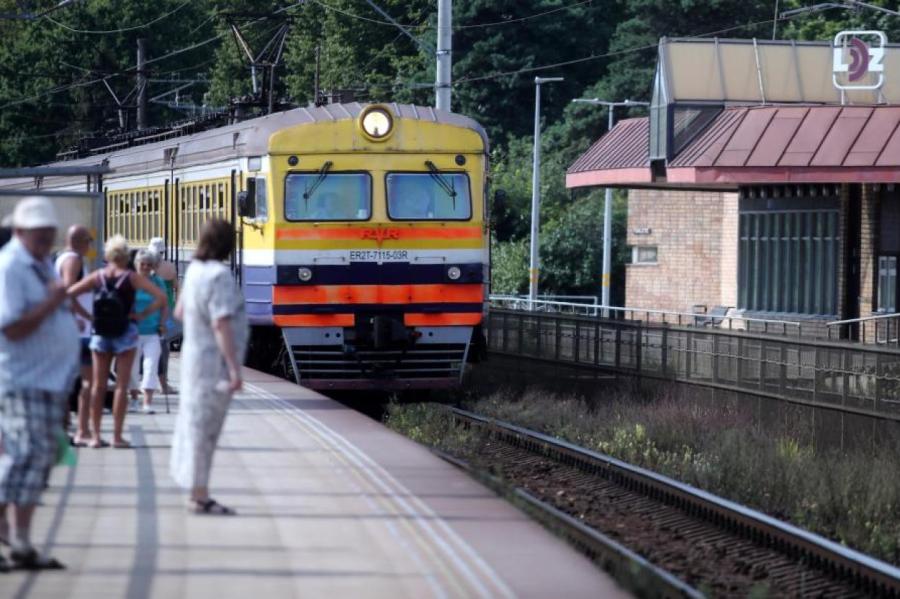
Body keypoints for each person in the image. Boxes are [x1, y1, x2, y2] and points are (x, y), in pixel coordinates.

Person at [0, 197, 79, 571]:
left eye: (50, 237)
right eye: (40, 237)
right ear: (19, 232)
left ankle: (21, 542)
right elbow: (11, 327)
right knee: (21, 458)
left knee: (39, 461)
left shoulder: (38, 261)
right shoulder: (11, 266)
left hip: (48, 380)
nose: (47, 243)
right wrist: (51, 305)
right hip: (21, 379)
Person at [170, 219, 248, 515]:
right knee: (205, 431)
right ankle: (199, 495)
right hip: (212, 364)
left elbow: (179, 312)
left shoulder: (194, 271)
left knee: (193, 425)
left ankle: (196, 490)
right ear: (228, 244)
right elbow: (221, 322)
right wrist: (234, 370)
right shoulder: (218, 275)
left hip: (193, 360)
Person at [66, 235, 166, 449]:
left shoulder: (98, 276)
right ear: (125, 256)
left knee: (98, 386)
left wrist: (88, 316)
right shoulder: (131, 277)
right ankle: (117, 437)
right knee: (121, 386)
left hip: (100, 332)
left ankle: (94, 437)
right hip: (126, 331)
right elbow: (161, 297)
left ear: (108, 255)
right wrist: (142, 314)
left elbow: (70, 293)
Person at [54, 225, 94, 445]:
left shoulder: (61, 258)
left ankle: (65, 428)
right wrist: (84, 316)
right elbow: (68, 291)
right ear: (79, 240)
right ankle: (82, 430)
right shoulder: (73, 260)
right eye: (89, 240)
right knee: (89, 382)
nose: (90, 245)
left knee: (65, 382)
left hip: (69, 330)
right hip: (78, 332)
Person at [128, 250, 168, 414]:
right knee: (132, 368)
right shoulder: (130, 281)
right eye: (142, 264)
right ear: (136, 264)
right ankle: (134, 400)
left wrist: (162, 323)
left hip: (152, 331)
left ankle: (147, 403)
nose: (145, 267)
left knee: (151, 366)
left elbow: (165, 305)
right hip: (132, 331)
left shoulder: (157, 282)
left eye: (148, 265)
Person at [148, 237, 178, 395]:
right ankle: (163, 383)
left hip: (150, 311)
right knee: (164, 347)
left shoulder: (147, 268)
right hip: (167, 311)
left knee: (147, 346)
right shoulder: (170, 267)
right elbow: (176, 288)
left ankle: (145, 382)